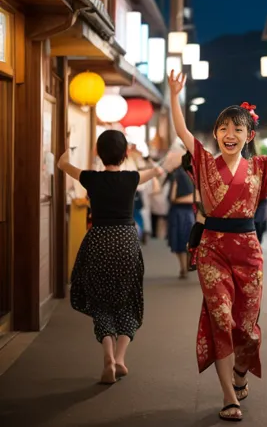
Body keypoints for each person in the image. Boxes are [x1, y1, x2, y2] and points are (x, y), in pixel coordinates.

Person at [168, 70, 267, 423]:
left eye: (237, 129)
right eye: (223, 129)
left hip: (248, 251)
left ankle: (242, 370)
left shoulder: (260, 166)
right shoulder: (202, 161)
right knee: (219, 318)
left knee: (246, 326)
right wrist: (174, 96)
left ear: (249, 135)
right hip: (212, 250)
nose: (229, 135)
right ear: (216, 134)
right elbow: (183, 132)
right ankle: (229, 396)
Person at [57, 130, 162, 384]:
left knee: (101, 302)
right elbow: (157, 171)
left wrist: (68, 143)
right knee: (128, 300)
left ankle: (107, 357)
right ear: (124, 154)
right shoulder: (132, 177)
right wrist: (145, 160)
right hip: (126, 240)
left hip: (99, 239)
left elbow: (62, 164)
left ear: (98, 153)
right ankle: (120, 358)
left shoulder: (90, 178)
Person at [167, 163, 196, 278]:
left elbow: (172, 197)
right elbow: (196, 196)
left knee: (178, 241)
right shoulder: (192, 174)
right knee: (188, 241)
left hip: (176, 212)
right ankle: (187, 266)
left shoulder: (176, 175)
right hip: (189, 213)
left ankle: (183, 267)